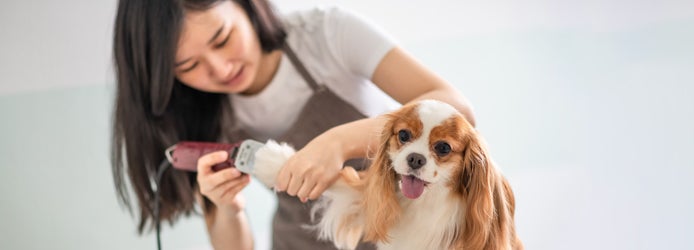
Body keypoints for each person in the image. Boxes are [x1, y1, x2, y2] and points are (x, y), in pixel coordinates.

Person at [111, 0, 476, 249]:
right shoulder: (205, 113)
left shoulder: (327, 35)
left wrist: (341, 142)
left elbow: (456, 107)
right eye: (188, 66)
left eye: (222, 39)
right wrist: (227, 207)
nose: (221, 69)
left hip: (408, 232)